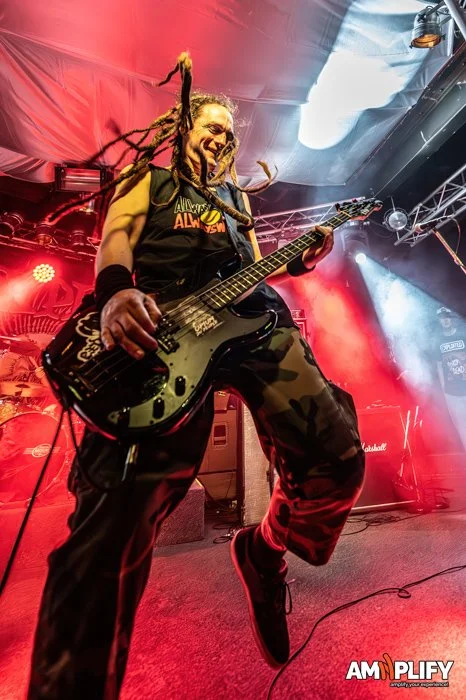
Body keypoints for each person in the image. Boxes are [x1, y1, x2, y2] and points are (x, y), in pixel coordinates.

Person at [28, 54, 365, 698]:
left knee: (336, 458)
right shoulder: (149, 181)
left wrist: (298, 262)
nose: (222, 139)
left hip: (248, 327)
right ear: (183, 131)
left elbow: (251, 269)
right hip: (164, 330)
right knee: (116, 518)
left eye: (229, 133)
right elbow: (117, 235)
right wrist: (115, 291)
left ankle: (263, 552)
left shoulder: (237, 201)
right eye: (211, 127)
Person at [434, 306, 466, 451]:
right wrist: (444, 389)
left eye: (447, 317)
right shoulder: (438, 341)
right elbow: (439, 366)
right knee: (461, 425)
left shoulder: (462, 336)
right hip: (452, 391)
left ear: (451, 319)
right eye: (442, 318)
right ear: (439, 321)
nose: (445, 320)